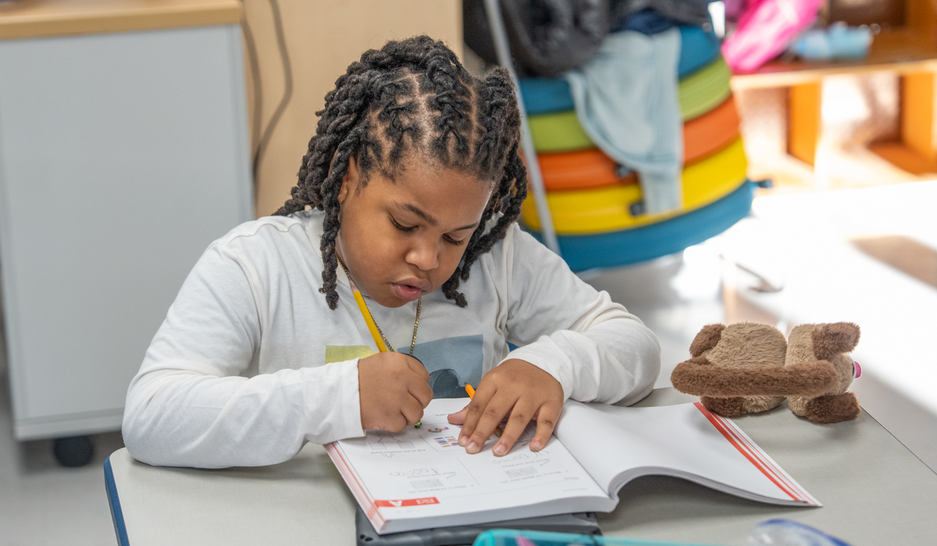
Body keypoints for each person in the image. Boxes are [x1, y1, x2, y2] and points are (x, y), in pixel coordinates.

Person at [123, 35, 660, 468]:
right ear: (345, 174)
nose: (429, 258)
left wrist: (554, 363)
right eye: (405, 224)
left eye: (456, 236)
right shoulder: (254, 266)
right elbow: (152, 416)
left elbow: (634, 344)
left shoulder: (497, 257)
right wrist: (337, 397)